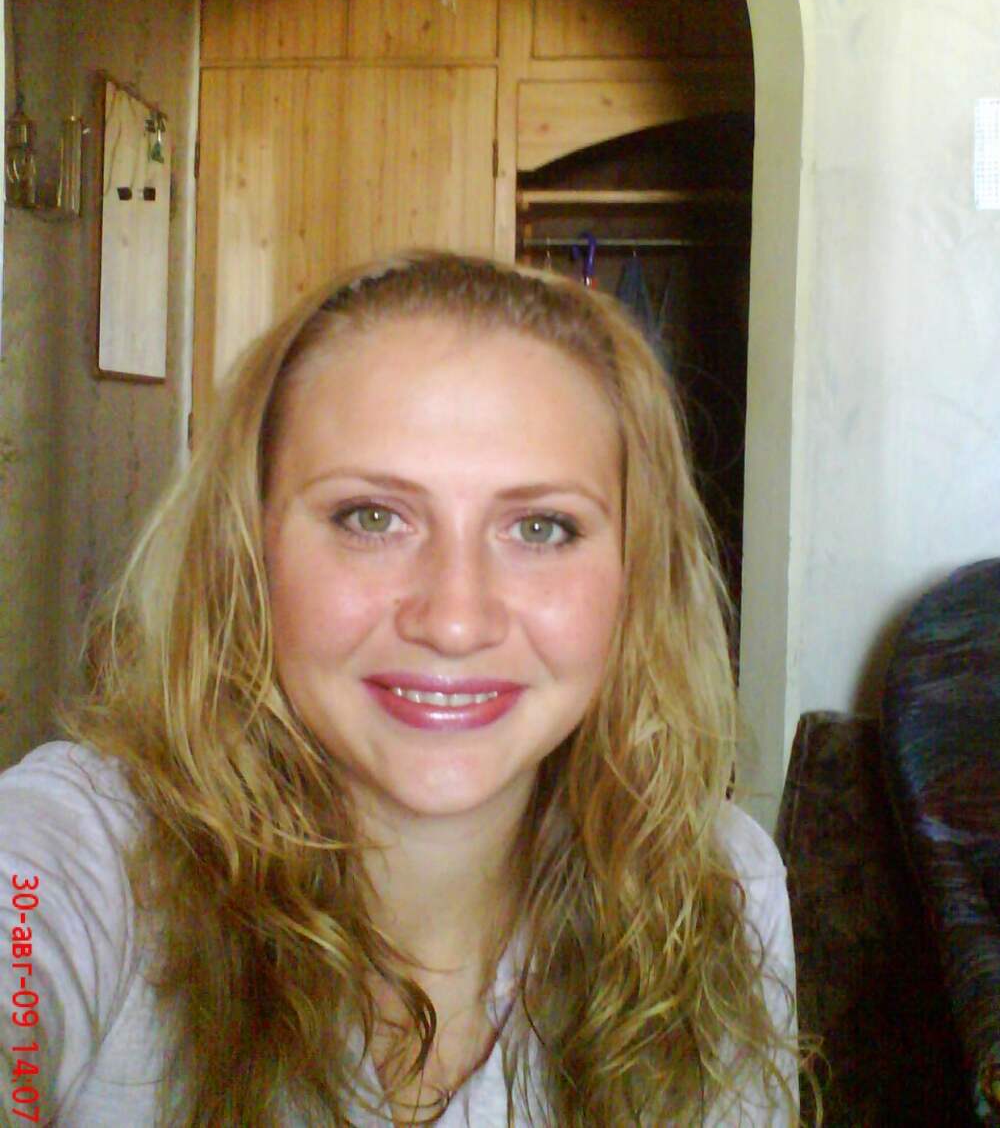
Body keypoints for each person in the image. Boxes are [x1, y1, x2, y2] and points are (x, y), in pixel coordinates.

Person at [0, 251, 807, 1127]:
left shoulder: (720, 885)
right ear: (250, 551)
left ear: (635, 575)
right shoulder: (87, 850)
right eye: (371, 517)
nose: (455, 620)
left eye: (541, 527)